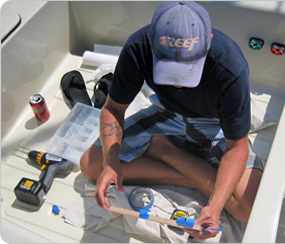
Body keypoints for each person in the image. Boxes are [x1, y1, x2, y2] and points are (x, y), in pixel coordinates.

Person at [80, 1, 263, 240]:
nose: (177, 81)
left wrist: (215, 205)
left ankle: (165, 151)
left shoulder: (230, 66)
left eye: (188, 67)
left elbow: (236, 145)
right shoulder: (137, 48)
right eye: (169, 68)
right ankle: (196, 177)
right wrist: (111, 161)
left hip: (215, 124)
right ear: (151, 40)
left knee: (248, 206)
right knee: (91, 164)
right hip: (165, 113)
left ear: (207, 42)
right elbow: (113, 108)